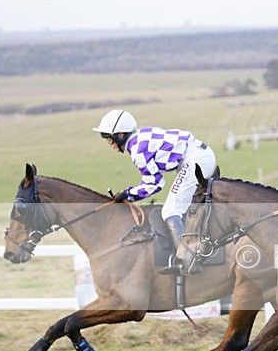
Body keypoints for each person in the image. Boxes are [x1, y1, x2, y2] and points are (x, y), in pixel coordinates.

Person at [93, 109, 217, 275]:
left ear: (121, 134)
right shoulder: (139, 138)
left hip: (195, 161)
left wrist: (127, 194)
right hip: (198, 156)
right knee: (179, 205)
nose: (109, 143)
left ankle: (186, 259)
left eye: (109, 138)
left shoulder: (137, 151)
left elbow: (155, 184)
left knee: (170, 210)